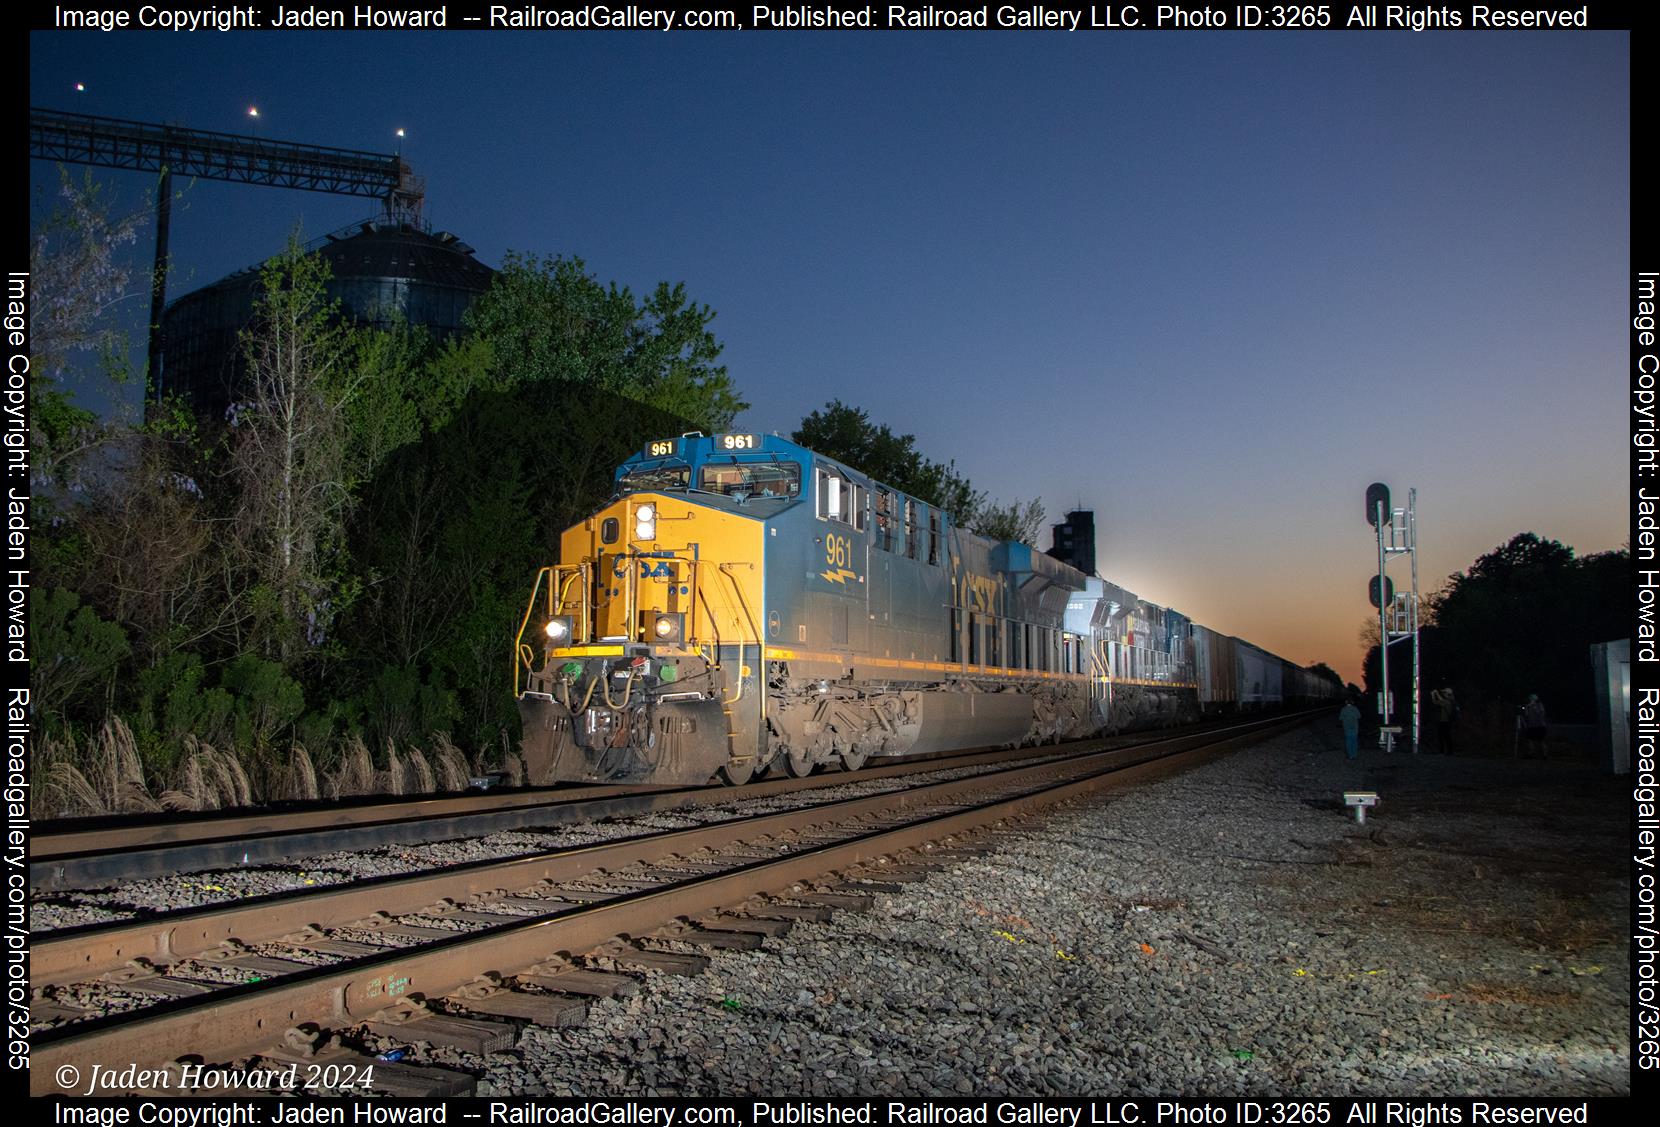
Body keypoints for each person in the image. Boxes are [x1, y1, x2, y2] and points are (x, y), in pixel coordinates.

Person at [1430, 686, 1458, 754]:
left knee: (1442, 737)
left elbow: (1435, 702)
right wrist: (1437, 694)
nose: (1443, 694)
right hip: (1448, 721)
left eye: (1444, 693)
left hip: (1444, 722)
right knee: (1447, 737)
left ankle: (1442, 752)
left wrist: (1433, 694)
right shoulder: (1452, 701)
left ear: (1447, 694)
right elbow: (1441, 700)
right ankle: (1450, 752)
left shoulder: (1446, 702)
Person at [1521, 693, 1548, 759]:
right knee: (1530, 740)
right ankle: (1531, 754)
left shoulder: (1540, 705)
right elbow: (1526, 715)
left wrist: (1534, 707)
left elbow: (1541, 714)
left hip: (1540, 725)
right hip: (1531, 726)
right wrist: (1526, 708)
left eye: (1532, 699)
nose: (1531, 700)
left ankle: (1545, 755)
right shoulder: (1528, 706)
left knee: (1541, 741)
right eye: (1530, 699)